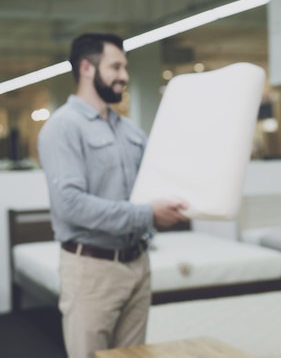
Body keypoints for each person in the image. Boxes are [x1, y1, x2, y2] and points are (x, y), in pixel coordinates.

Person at [37, 33, 190, 358]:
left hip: (138, 263)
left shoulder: (131, 131)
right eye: (116, 66)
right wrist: (148, 214)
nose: (124, 75)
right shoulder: (63, 127)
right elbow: (71, 205)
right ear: (87, 68)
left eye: (125, 66)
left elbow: (152, 187)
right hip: (92, 270)